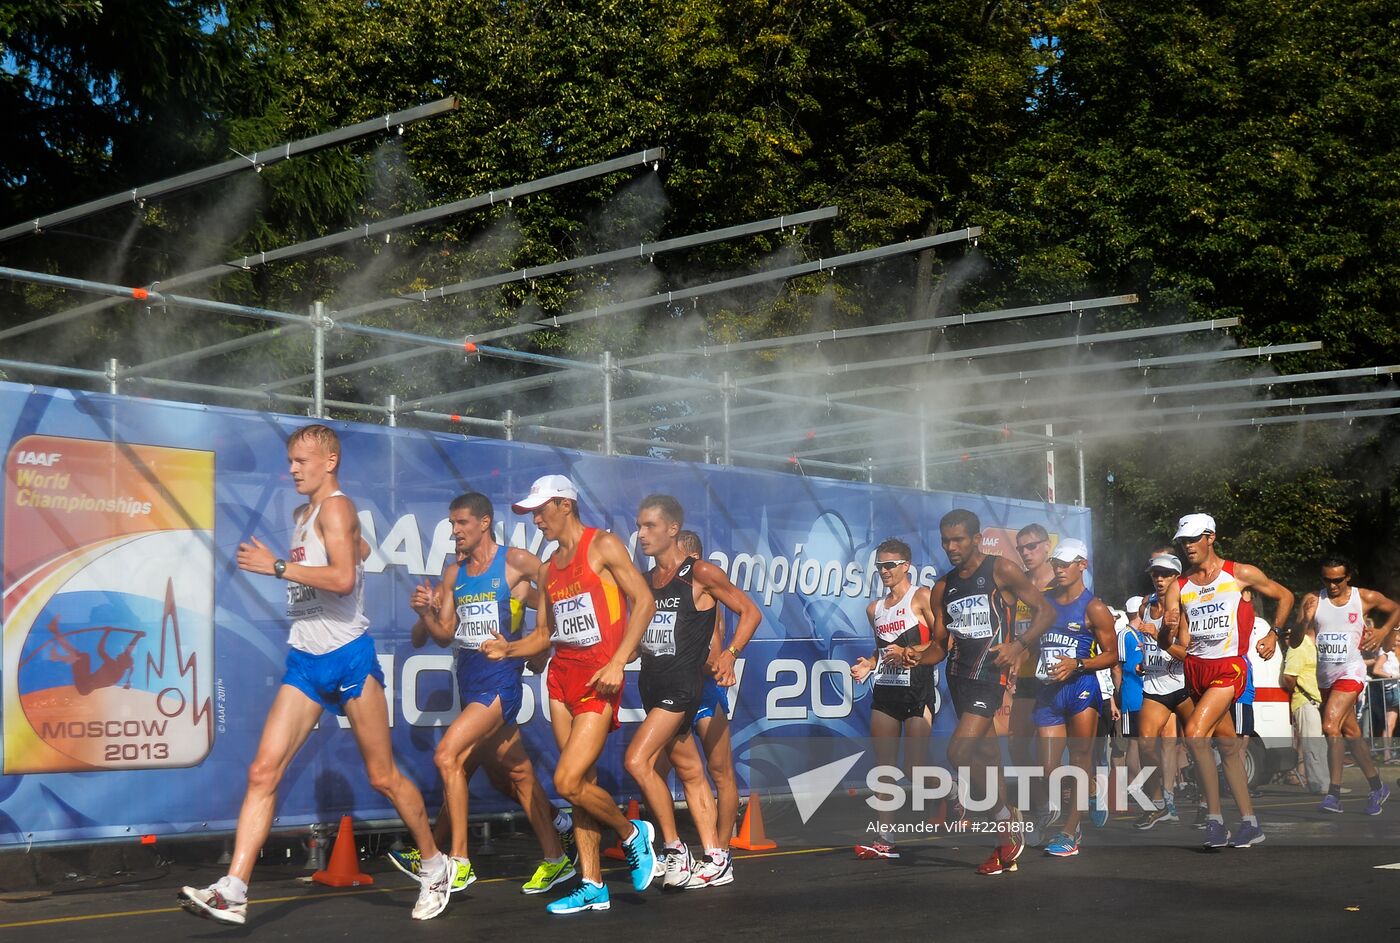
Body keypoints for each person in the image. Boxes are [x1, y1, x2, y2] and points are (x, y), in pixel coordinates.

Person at [180, 424, 451, 925]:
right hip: (305, 660)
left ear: (330, 461)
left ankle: (436, 866)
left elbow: (344, 579)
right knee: (263, 772)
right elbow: (354, 555)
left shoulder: (337, 508)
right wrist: (349, 548)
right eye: (289, 462)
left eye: (301, 461)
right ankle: (234, 889)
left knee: (383, 776)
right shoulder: (305, 514)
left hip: (348, 656)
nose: (292, 470)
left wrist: (277, 567)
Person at [481, 474, 657, 914]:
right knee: (581, 786)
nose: (537, 520)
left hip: (599, 678)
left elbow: (644, 601)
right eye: (532, 514)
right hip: (561, 679)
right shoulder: (547, 569)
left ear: (565, 505)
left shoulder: (603, 545)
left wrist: (618, 661)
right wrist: (508, 649)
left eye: (541, 511)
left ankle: (632, 833)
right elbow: (545, 635)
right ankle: (593, 883)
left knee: (566, 780)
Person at [387, 492, 573, 897]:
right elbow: (443, 636)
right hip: (470, 684)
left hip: (500, 684)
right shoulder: (454, 573)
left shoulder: (516, 561)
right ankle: (556, 856)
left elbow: (555, 587)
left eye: (462, 523)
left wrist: (541, 642)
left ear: (484, 523)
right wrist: (425, 613)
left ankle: (459, 861)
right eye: (451, 524)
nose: (455, 531)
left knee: (447, 756)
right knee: (519, 775)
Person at [624, 495, 760, 890]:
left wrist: (730, 655)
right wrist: (609, 662)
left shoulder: (699, 572)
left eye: (649, 526)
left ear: (672, 529)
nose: (641, 534)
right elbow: (638, 642)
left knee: (638, 761)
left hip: (686, 689)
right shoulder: (644, 582)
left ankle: (676, 848)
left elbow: (750, 612)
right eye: (638, 526)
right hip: (652, 685)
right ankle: (715, 856)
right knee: (688, 771)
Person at [911, 508, 1053, 876]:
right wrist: (916, 657)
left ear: (976, 539)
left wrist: (1019, 645)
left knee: (958, 753)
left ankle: (1006, 821)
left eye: (958, 539)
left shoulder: (1000, 569)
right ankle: (1005, 843)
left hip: (990, 676)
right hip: (958, 678)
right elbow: (940, 646)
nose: (951, 546)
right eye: (945, 540)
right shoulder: (943, 587)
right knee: (988, 758)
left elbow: (1045, 612)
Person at [1161, 513, 1294, 849]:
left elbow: (1285, 596)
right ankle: (1250, 824)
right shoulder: (1180, 586)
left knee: (1195, 734)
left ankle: (1215, 821)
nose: (1188, 546)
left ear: (1211, 537)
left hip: (1229, 668)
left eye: (1194, 539)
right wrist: (1166, 627)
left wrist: (1274, 634)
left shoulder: (1239, 574)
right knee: (1229, 748)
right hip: (1195, 670)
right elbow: (1172, 641)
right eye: (1183, 541)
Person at [851, 538, 939, 859]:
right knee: (884, 767)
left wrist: (910, 651)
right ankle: (885, 837)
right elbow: (882, 650)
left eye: (890, 565)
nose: (884, 571)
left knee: (914, 769)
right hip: (886, 691)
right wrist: (869, 663)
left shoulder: (922, 597)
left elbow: (944, 643)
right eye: (879, 566)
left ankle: (953, 791)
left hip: (918, 690)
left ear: (906, 566)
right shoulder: (874, 609)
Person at [1030, 539, 1119, 857]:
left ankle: (1070, 831)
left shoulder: (1094, 607)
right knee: (1048, 768)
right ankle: (1088, 793)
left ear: (1082, 565)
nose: (1059, 569)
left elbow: (1112, 655)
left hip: (1081, 689)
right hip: (1049, 691)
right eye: (1055, 563)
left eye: (1065, 564)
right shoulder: (1044, 601)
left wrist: (1078, 664)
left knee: (1079, 760)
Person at [1296, 555, 1399, 814]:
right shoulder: (1312, 599)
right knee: (1351, 733)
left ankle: (1333, 795)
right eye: (1326, 580)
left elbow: (1396, 608)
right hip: (1325, 676)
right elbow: (1295, 642)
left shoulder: (1363, 597)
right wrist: (1304, 621)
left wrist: (1384, 631)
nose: (1332, 585)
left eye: (1338, 580)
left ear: (1348, 577)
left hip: (1351, 672)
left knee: (1330, 726)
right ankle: (1378, 787)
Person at [675, 529, 742, 870]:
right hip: (675, 691)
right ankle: (679, 849)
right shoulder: (671, 588)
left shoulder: (703, 586)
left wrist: (724, 658)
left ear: (693, 558)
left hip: (703, 690)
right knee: (664, 769)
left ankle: (722, 850)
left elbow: (714, 651)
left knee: (721, 772)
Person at [1009, 524, 1057, 839]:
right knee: (1016, 745)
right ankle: (1043, 806)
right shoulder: (1020, 584)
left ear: (1047, 546)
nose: (1026, 553)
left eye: (1032, 546)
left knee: (1047, 752)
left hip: (1054, 675)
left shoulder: (1061, 582)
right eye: (1021, 548)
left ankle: (1083, 794)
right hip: (1026, 675)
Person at [1134, 552, 1188, 828]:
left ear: (1176, 577)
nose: (1160, 579)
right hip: (1155, 687)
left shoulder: (1183, 608)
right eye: (1155, 574)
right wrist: (1145, 662)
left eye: (1166, 574)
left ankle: (1206, 805)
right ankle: (1160, 802)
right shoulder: (1146, 605)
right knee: (1146, 745)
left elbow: (1186, 654)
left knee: (1198, 745)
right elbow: (1148, 647)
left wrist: (1158, 637)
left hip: (1182, 686)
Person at [1282, 615, 1326, 792]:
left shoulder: (1314, 645)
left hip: (1313, 701)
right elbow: (1288, 676)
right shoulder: (1299, 645)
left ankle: (1326, 784)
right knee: (1313, 746)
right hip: (1305, 700)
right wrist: (1299, 690)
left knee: (1319, 746)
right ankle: (1319, 785)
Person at [1370, 635, 1400, 763]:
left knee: (1390, 724)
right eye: (1396, 639)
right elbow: (1376, 670)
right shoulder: (1386, 653)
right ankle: (1387, 754)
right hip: (1393, 689)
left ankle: (1388, 754)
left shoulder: (1394, 654)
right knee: (1389, 724)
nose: (1398, 642)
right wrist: (1392, 676)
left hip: (1394, 689)